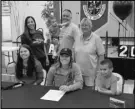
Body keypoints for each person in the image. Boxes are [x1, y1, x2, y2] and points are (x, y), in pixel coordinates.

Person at [74, 17, 105, 87]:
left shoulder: (96, 38)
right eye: (82, 25)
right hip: (78, 74)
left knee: (89, 95)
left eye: (86, 25)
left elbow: (101, 56)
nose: (84, 27)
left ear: (90, 27)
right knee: (78, 94)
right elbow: (74, 54)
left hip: (91, 75)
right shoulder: (77, 38)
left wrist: (99, 72)